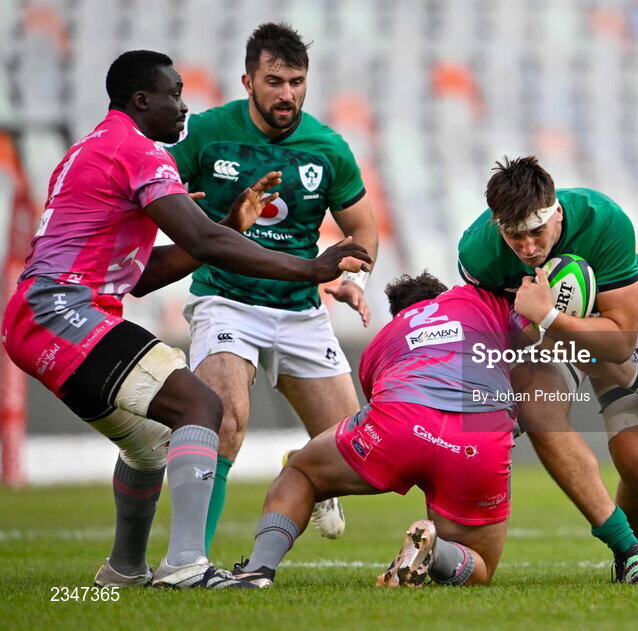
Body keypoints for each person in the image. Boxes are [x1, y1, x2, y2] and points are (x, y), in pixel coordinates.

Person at [0, 50, 371, 589]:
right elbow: (202, 240)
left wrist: (224, 227)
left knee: (152, 440)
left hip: (40, 318)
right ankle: (186, 566)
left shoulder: (94, 147)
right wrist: (310, 267)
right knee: (201, 405)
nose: (183, 106)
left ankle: (125, 569)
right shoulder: (138, 150)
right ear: (141, 100)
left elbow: (141, 275)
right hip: (62, 312)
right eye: (173, 94)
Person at [166, 23, 379, 553]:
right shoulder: (207, 133)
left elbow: (364, 230)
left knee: (360, 451)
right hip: (225, 297)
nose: (287, 94)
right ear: (247, 80)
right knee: (224, 419)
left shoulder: (327, 148)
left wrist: (352, 279)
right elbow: (154, 194)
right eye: (275, 81)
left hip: (299, 308)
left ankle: (304, 467)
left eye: (297, 82)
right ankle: (190, 559)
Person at [230, 272, 527, 588]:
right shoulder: (474, 303)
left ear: (399, 312)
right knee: (479, 564)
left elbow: (379, 403)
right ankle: (436, 551)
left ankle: (257, 570)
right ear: (443, 295)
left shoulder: (383, 339)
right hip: (477, 438)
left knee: (301, 472)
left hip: (401, 421)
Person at [457, 156, 638, 583]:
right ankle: (628, 552)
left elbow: (620, 341)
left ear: (556, 213)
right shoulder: (478, 253)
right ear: (499, 227)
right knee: (537, 410)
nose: (529, 248)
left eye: (536, 232)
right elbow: (514, 341)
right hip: (539, 329)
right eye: (515, 237)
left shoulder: (605, 220)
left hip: (609, 317)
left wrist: (553, 317)